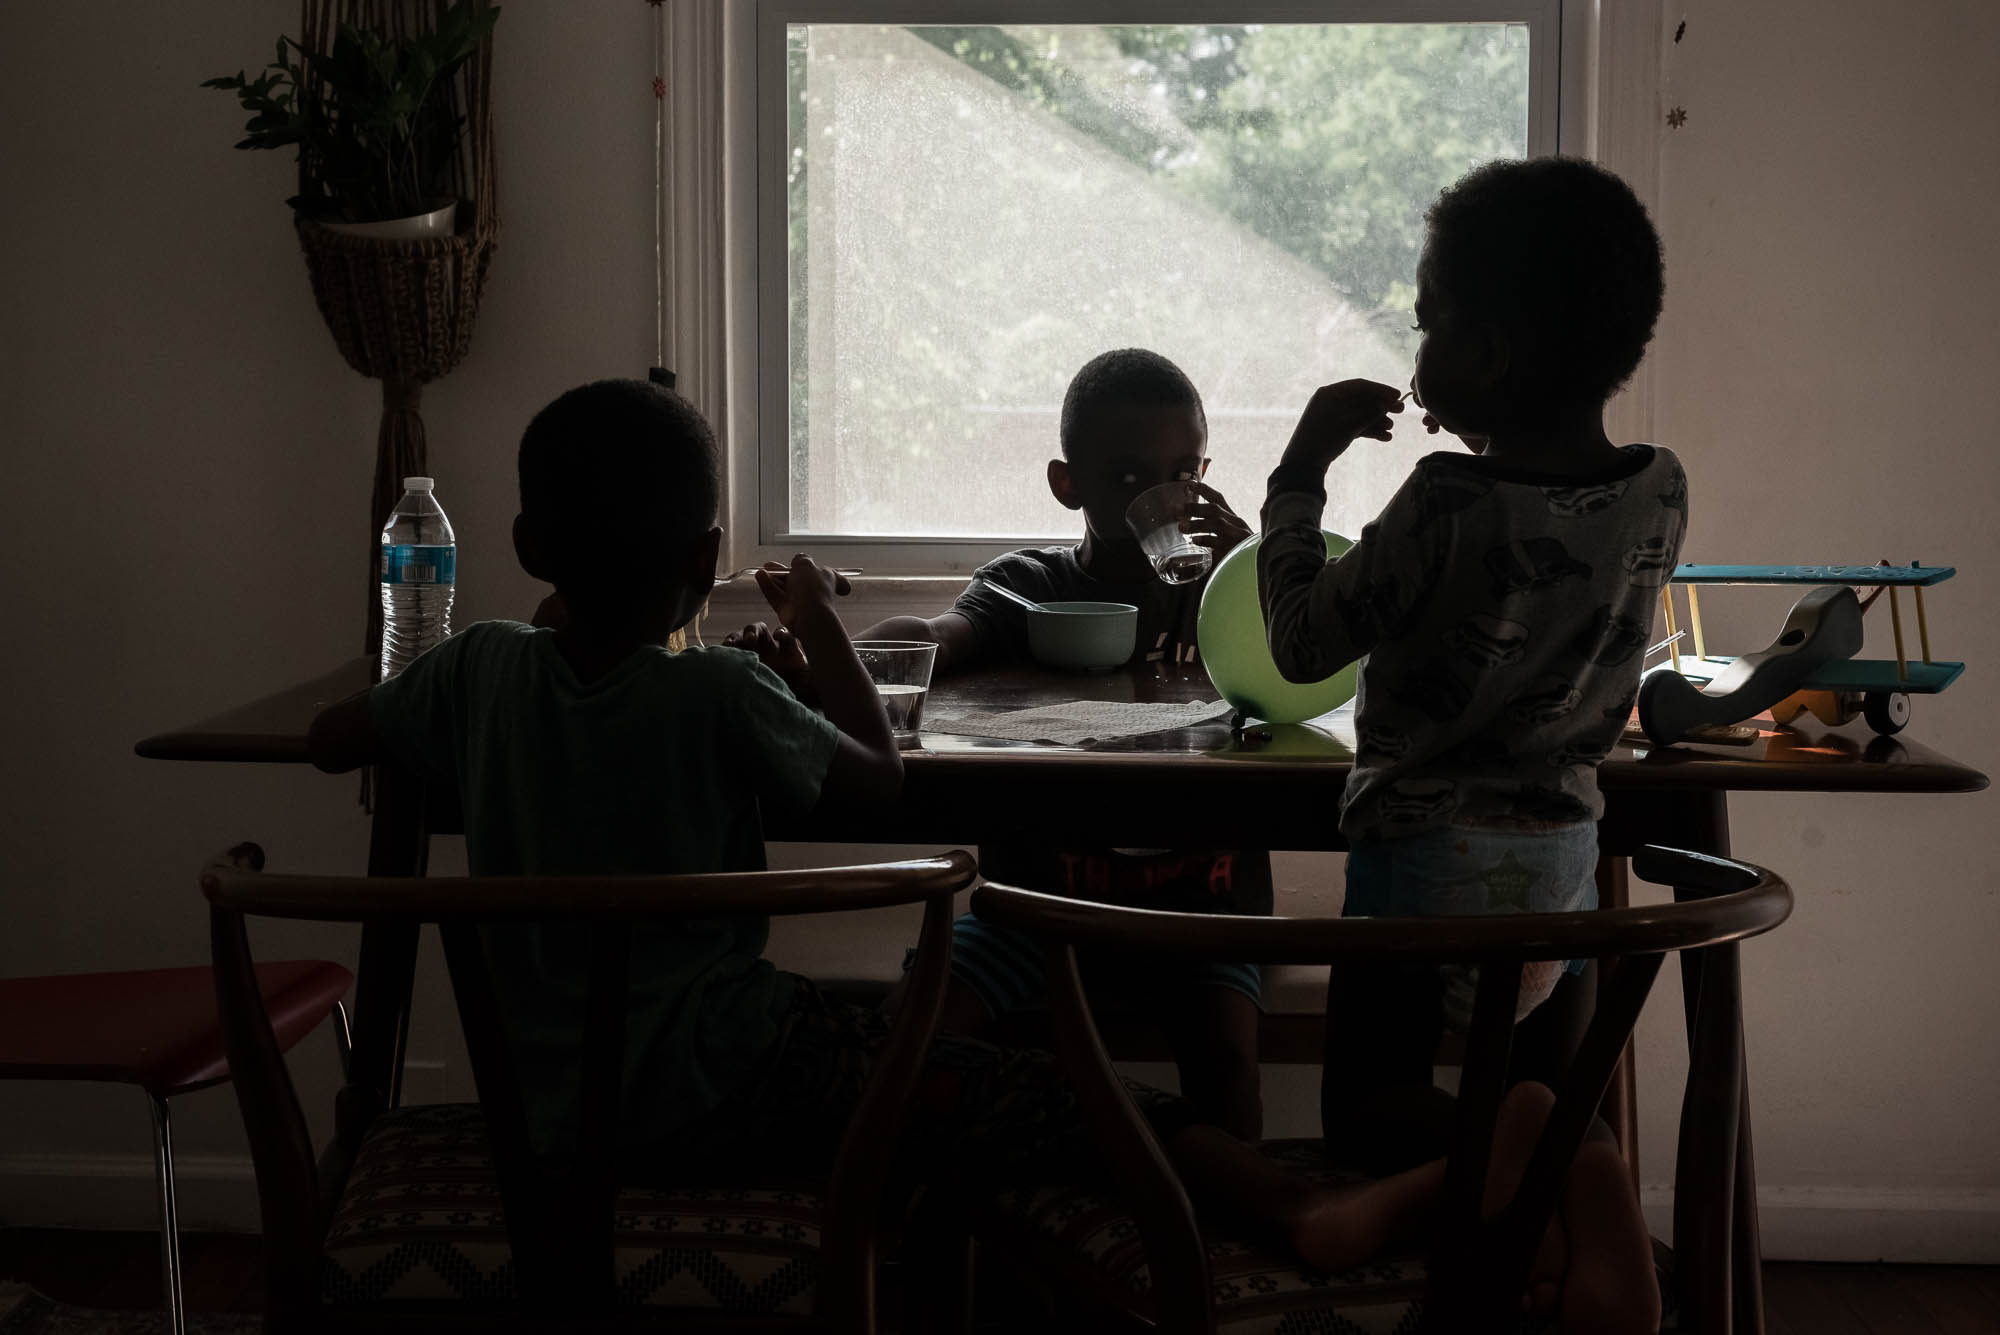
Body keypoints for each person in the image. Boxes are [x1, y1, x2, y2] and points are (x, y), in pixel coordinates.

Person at [305, 376, 1544, 1285]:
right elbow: (884, 789)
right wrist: (826, 638)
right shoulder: (715, 693)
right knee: (1056, 1091)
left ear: (526, 546)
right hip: (726, 1084)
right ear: (706, 554)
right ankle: (1279, 1200)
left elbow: (341, 735)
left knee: (936, 1045)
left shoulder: (472, 674)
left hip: (550, 1107)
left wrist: (466, 683)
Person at [1258, 156, 1676, 1330]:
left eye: (1428, 318)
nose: (1413, 340)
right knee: (1536, 1084)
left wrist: (1299, 474)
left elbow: (1298, 645)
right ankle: (1571, 1181)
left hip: (1421, 862)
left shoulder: (1444, 501)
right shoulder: (1660, 489)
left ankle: (1539, 1177)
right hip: (1558, 865)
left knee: (1369, 1106)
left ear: (1486, 354)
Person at [855, 348, 1270, 1139]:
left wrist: (1254, 570)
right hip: (1034, 909)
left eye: (1182, 472)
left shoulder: (1228, 587)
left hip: (1203, 906)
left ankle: (1221, 1242)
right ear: (1066, 482)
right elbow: (933, 641)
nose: (1162, 498)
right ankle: (954, 1227)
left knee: (1228, 1066)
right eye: (1125, 478)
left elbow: (1304, 664)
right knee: (905, 1034)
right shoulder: (1031, 586)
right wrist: (825, 652)